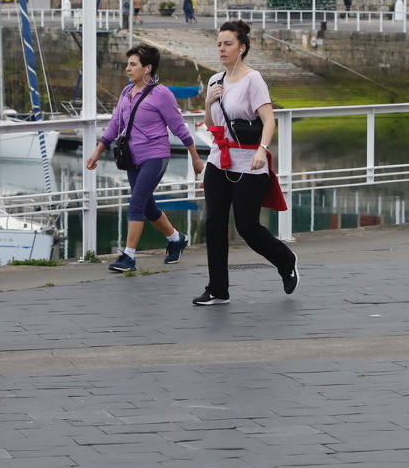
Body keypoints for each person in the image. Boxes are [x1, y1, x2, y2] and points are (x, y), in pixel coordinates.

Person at [197, 19, 298, 306]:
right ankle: (218, 289)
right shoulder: (215, 81)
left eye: (227, 43)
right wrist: (208, 102)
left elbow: (269, 119)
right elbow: (210, 124)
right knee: (214, 224)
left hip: (249, 164)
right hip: (219, 161)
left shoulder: (253, 79)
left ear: (242, 48)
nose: (221, 49)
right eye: (218, 43)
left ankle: (285, 259)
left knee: (247, 227)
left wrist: (261, 150)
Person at [87, 45, 204, 272]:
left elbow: (179, 127)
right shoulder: (125, 93)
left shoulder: (162, 95)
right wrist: (97, 151)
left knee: (136, 203)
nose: (127, 69)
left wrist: (195, 158)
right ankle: (176, 239)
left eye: (133, 65)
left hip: (155, 155)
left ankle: (129, 257)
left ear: (147, 68)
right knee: (148, 208)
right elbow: (114, 126)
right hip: (132, 158)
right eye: (127, 64)